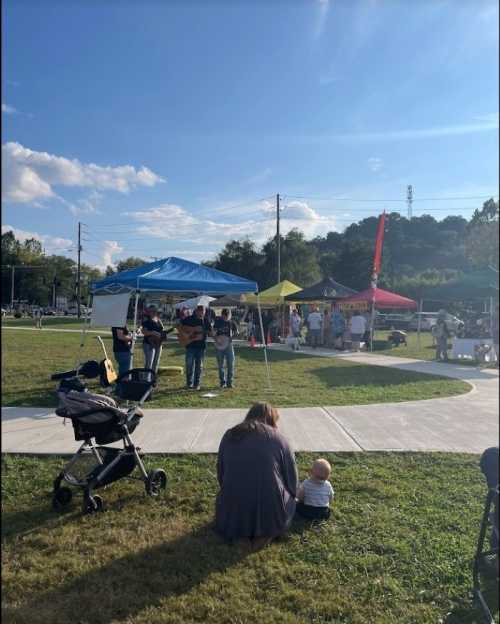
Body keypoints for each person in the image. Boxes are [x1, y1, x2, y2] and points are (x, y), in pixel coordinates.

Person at [215, 402, 298, 550]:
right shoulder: (279, 438)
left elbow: (221, 472)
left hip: (234, 502)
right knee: (287, 502)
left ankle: (239, 534)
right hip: (270, 505)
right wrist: (291, 498)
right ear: (271, 420)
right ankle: (267, 532)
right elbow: (291, 478)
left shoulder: (229, 434)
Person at [181, 304, 212, 390]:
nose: (202, 312)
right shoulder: (189, 319)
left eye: (204, 311)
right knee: (189, 365)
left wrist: (210, 333)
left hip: (201, 347)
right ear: (197, 311)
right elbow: (181, 327)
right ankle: (189, 383)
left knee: (199, 366)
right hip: (190, 345)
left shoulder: (206, 321)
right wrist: (193, 329)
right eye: (200, 311)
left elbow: (210, 332)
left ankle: (196, 384)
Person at [213, 308, 238, 388]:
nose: (226, 318)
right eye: (225, 316)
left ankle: (230, 383)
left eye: (228, 316)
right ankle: (222, 382)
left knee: (230, 364)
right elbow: (213, 333)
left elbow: (236, 333)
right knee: (220, 365)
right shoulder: (218, 322)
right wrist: (217, 339)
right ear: (222, 315)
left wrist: (232, 337)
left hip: (229, 345)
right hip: (219, 345)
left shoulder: (232, 323)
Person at [141, 304, 165, 376]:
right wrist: (153, 333)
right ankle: (146, 380)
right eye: (152, 311)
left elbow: (162, 329)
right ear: (149, 311)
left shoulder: (158, 319)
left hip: (158, 343)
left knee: (156, 363)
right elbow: (144, 332)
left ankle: (153, 379)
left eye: (155, 311)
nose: (154, 312)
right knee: (149, 363)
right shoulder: (146, 320)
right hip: (149, 344)